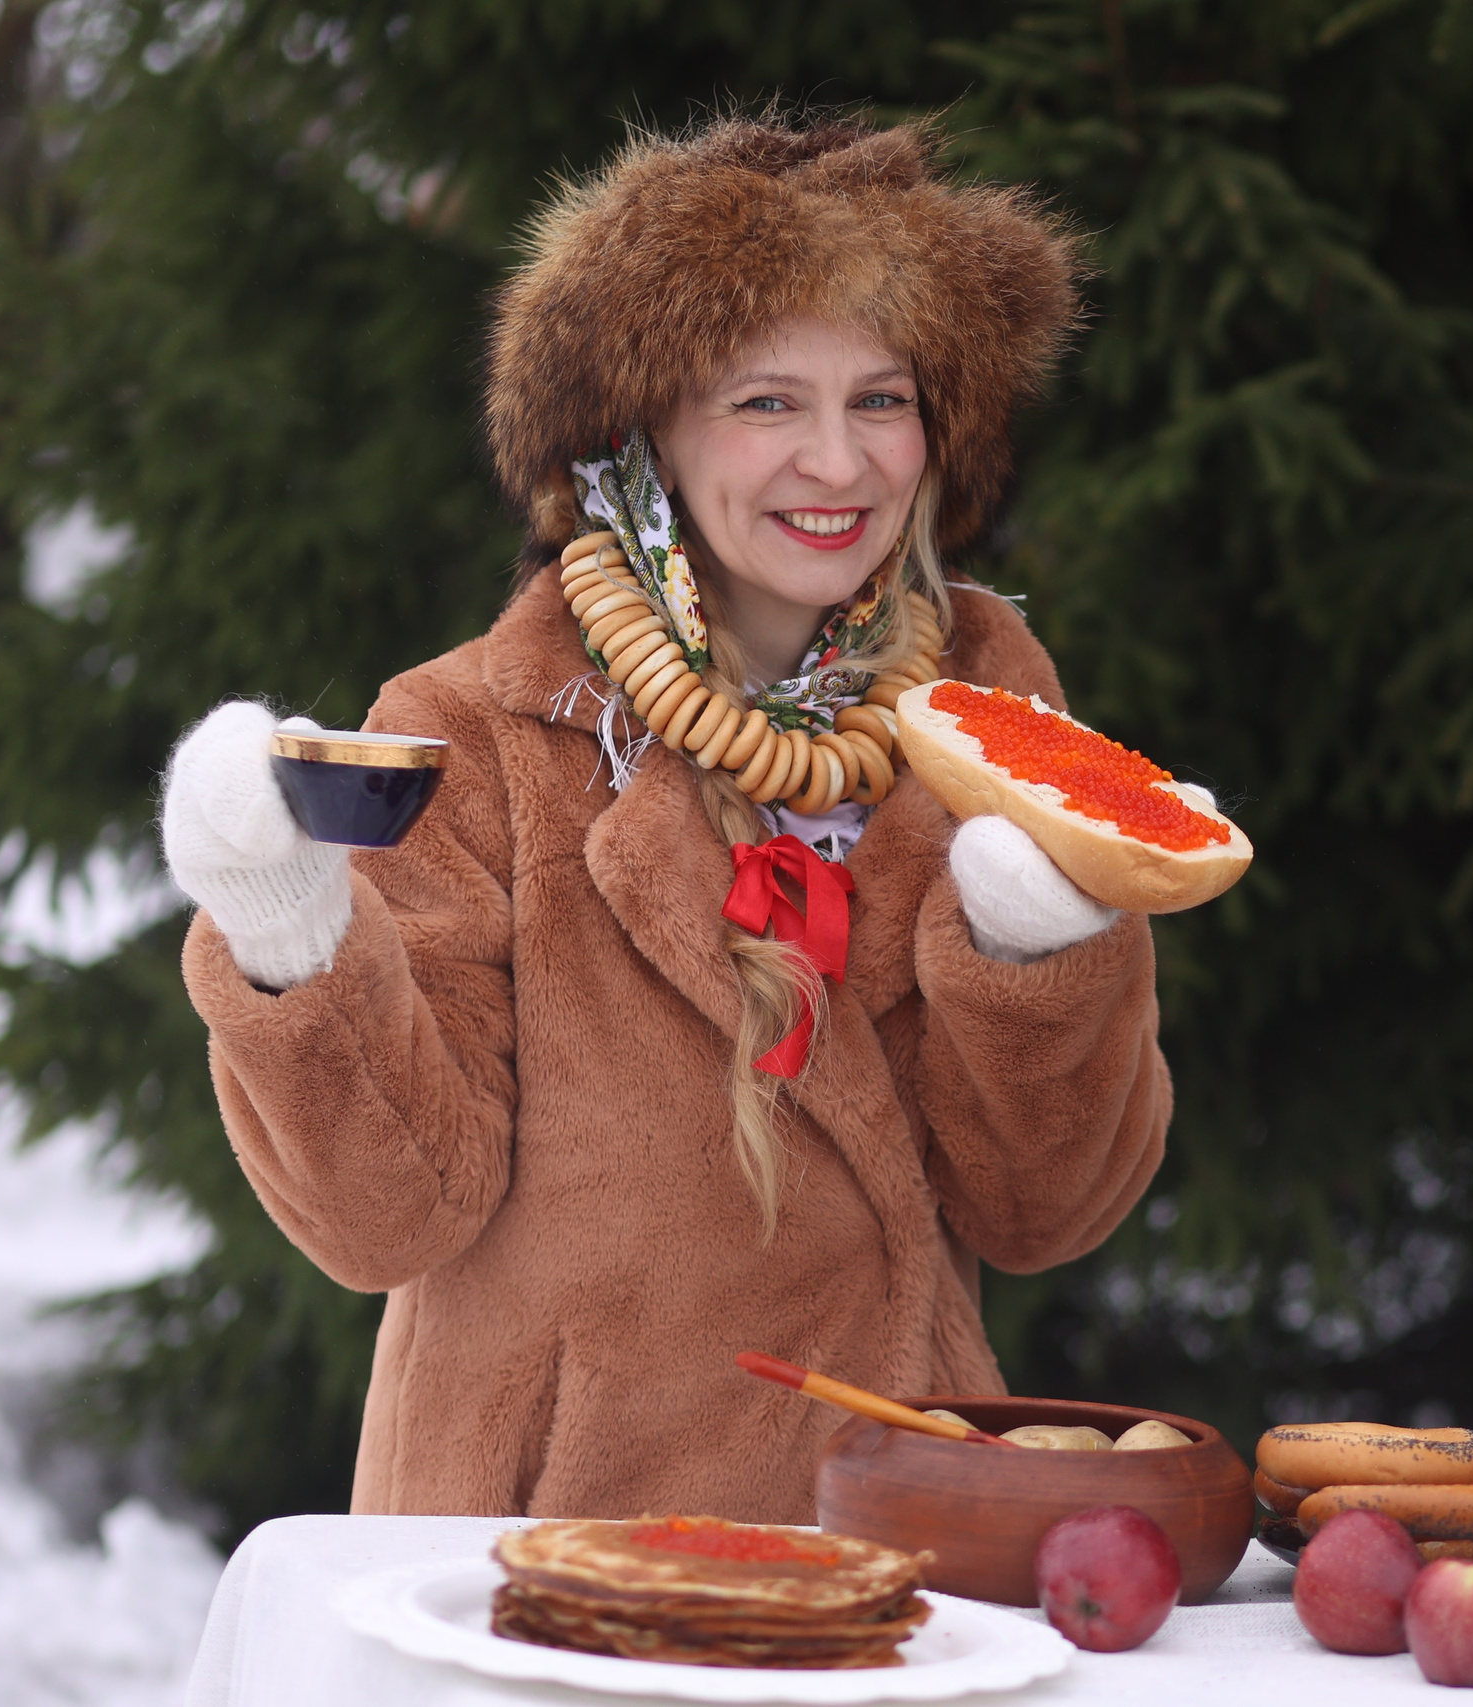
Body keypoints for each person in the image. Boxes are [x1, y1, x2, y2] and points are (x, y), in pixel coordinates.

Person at [156, 116, 1171, 1522]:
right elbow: (392, 1216)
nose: (841, 463)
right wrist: (282, 924)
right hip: (534, 1553)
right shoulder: (477, 726)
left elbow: (1044, 1212)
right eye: (767, 403)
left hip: (893, 1532)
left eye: (883, 400)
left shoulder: (989, 701)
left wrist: (1036, 950)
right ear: (641, 432)